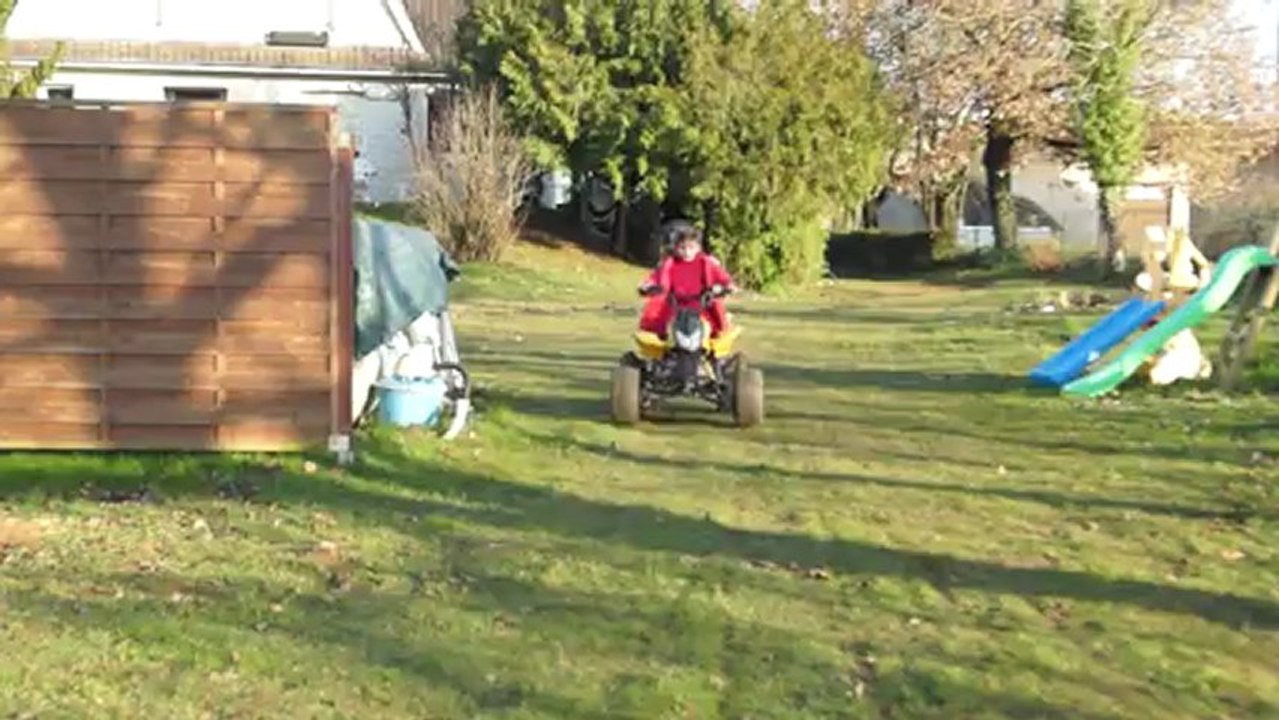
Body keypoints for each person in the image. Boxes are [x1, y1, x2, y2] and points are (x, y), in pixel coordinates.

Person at [637, 221, 737, 338]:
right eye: (682, 248)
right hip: (675, 307)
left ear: (698, 248)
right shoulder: (670, 264)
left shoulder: (705, 262)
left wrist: (728, 286)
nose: (687, 252)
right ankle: (658, 335)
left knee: (716, 306)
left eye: (691, 248)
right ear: (675, 248)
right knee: (657, 306)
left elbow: (722, 277)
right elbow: (655, 278)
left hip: (701, 307)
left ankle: (720, 330)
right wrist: (647, 286)